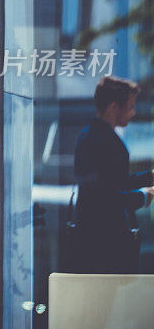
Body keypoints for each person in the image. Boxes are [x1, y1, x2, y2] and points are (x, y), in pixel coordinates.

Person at [72, 76, 154, 274]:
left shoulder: (91, 136)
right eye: (130, 106)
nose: (133, 112)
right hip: (105, 244)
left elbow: (113, 184)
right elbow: (105, 198)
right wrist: (143, 197)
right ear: (114, 107)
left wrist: (149, 177)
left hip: (96, 241)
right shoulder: (105, 141)